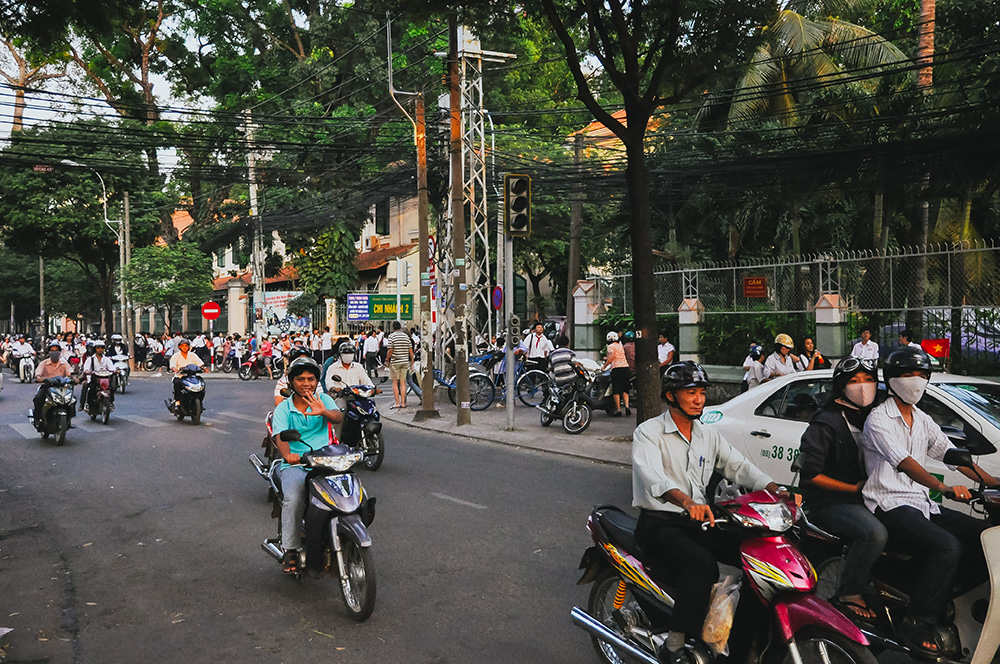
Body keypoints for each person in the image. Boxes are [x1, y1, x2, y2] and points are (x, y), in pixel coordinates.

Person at [632, 362, 791, 664]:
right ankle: (675, 644)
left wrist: (774, 488)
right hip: (659, 523)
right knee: (702, 563)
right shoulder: (648, 432)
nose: (699, 399)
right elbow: (651, 475)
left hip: (700, 521)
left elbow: (738, 466)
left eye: (702, 393)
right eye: (691, 393)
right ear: (670, 396)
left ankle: (744, 638)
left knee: (756, 556)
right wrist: (686, 502)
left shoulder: (707, 435)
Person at [860, 346, 1000, 655]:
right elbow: (905, 462)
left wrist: (991, 482)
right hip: (889, 505)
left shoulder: (922, 419)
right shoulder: (878, 420)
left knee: (983, 536)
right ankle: (918, 620)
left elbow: (950, 453)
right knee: (946, 546)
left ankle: (946, 594)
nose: (916, 381)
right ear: (892, 379)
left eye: (922, 375)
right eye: (908, 374)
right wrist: (945, 488)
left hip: (922, 504)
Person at [798, 357, 886, 621]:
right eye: (854, 381)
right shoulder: (826, 423)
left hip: (870, 496)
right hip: (831, 500)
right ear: (841, 387)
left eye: (868, 380)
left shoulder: (879, 416)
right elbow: (811, 474)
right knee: (875, 534)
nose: (863, 387)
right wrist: (851, 488)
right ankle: (849, 592)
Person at [271, 357, 342, 574]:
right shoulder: (284, 409)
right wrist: (289, 455)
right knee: (293, 499)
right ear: (291, 382)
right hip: (297, 465)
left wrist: (324, 412)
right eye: (300, 379)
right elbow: (280, 437)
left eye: (310, 379)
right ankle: (290, 549)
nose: (306, 383)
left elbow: (338, 417)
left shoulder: (323, 400)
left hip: (325, 462)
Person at [33, 341, 73, 420]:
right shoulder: (44, 363)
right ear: (49, 352)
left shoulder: (64, 363)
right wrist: (40, 378)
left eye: (56, 351)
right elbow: (38, 374)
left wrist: (74, 379)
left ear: (59, 352)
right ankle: (38, 418)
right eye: (52, 351)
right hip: (47, 387)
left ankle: (69, 419)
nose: (54, 353)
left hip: (61, 387)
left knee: (72, 399)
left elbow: (70, 373)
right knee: (38, 398)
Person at [600, 331, 631, 417]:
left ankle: (618, 409)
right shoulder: (620, 345)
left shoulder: (610, 346)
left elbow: (612, 356)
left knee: (616, 390)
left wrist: (604, 366)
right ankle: (627, 406)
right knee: (625, 389)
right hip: (625, 367)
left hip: (617, 368)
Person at [80, 340, 116, 412]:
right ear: (95, 349)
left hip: (105, 378)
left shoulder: (106, 359)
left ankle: (111, 403)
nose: (100, 350)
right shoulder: (90, 359)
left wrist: (115, 370)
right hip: (94, 378)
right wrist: (87, 371)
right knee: (90, 388)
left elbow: (112, 368)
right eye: (98, 348)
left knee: (111, 388)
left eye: (102, 348)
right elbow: (86, 368)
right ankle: (86, 404)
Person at [168, 338, 204, 408]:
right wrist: (174, 368)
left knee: (201, 383)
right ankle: (177, 402)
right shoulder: (176, 356)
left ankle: (199, 401)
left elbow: (200, 363)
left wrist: (203, 368)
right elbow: (172, 365)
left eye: (186, 346)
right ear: (179, 347)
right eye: (183, 346)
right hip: (180, 376)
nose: (184, 348)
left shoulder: (192, 355)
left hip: (192, 376)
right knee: (177, 383)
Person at [386, 321, 413, 409]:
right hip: (405, 361)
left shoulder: (391, 336)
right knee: (403, 383)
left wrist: (387, 360)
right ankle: (403, 403)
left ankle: (397, 403)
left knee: (395, 382)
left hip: (395, 362)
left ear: (393, 328)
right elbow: (410, 350)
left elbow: (390, 350)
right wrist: (412, 361)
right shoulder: (406, 336)